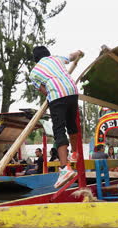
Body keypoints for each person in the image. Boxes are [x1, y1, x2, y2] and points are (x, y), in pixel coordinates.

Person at [29, 46, 84, 188]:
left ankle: (65, 168)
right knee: (72, 124)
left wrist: (49, 91)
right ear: (48, 54)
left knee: (59, 129)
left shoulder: (34, 72)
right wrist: (79, 53)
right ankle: (75, 153)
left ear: (36, 60)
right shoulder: (56, 58)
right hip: (72, 91)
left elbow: (44, 90)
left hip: (57, 95)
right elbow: (72, 55)